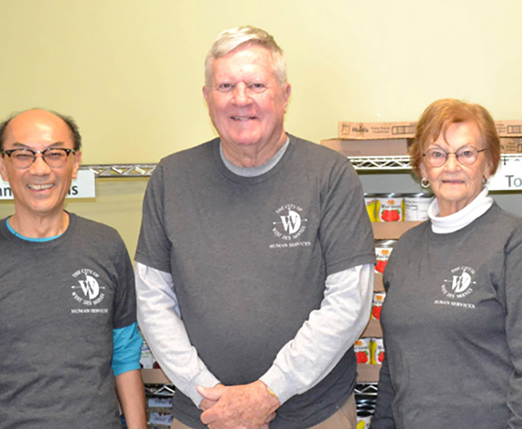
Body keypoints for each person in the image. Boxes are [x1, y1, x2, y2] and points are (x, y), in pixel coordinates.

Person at [135, 26, 375, 429]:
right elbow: (152, 299)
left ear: (285, 94)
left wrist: (269, 391)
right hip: (203, 414)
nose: (240, 99)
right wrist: (208, 394)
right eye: (226, 85)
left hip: (313, 414)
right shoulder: (171, 177)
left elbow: (350, 301)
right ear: (207, 97)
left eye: (256, 84)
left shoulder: (330, 174)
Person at [0, 109, 146, 428]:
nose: (39, 169)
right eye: (22, 154)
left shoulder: (107, 245)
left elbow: (126, 354)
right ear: (1, 165)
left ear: (75, 163)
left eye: (54, 154)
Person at [371, 99, 522, 428]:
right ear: (421, 166)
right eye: (437, 153)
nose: (451, 166)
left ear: (489, 163)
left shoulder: (517, 245)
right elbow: (395, 366)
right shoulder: (406, 249)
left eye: (466, 153)